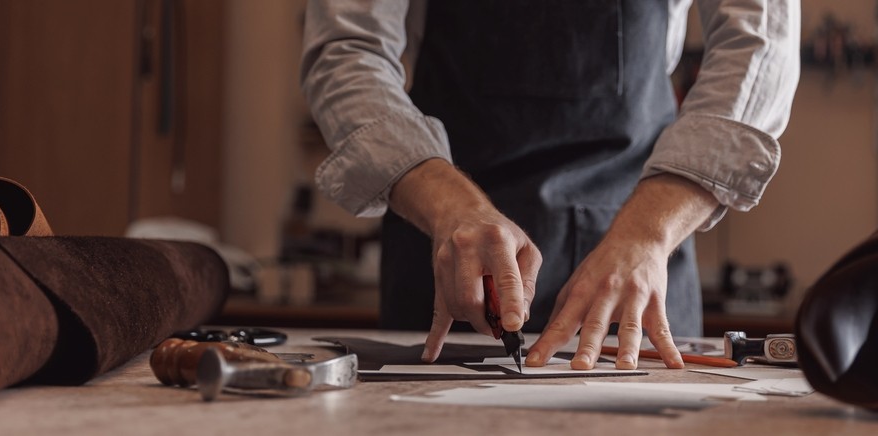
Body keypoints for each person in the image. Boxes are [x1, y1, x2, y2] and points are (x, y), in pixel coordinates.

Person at [301, 0, 799, 370]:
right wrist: (451, 208)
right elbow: (348, 48)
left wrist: (649, 233)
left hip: (640, 260)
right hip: (447, 251)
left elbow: (759, 42)